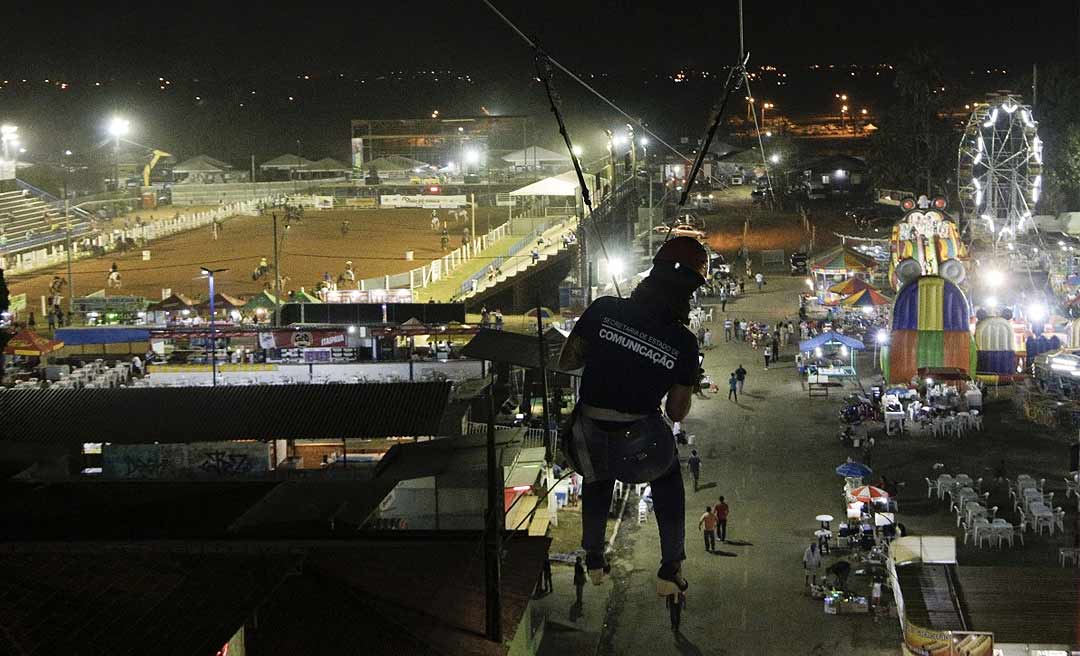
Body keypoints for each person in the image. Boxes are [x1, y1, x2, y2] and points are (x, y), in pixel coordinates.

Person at [559, 236, 707, 596]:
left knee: (597, 473)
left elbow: (568, 362)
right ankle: (670, 567)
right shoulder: (684, 342)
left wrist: (613, 342)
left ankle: (594, 556)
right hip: (640, 441)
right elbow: (675, 412)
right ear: (689, 292)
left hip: (585, 434)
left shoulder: (604, 308)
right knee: (668, 474)